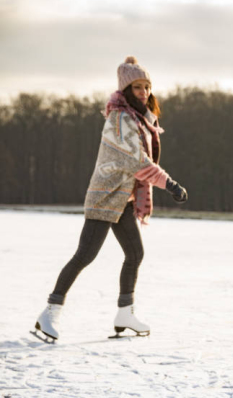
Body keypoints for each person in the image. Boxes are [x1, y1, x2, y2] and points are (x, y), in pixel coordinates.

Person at [32, 56, 189, 342]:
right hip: (105, 197)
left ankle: (125, 313)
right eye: (137, 87)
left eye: (147, 86)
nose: (143, 92)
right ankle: (49, 313)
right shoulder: (120, 118)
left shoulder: (140, 119)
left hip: (123, 199)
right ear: (126, 89)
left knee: (135, 254)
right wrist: (170, 183)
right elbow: (136, 162)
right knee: (85, 255)